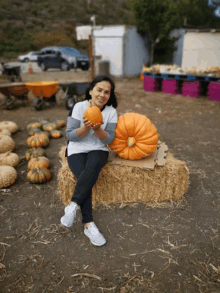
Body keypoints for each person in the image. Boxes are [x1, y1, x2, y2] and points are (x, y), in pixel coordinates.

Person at [61, 75, 118, 246]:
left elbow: (108, 140)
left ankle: (72, 205)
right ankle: (88, 223)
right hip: (76, 149)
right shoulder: (79, 107)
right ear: (91, 90)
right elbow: (70, 135)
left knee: (91, 168)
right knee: (84, 177)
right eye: (99, 90)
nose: (102, 95)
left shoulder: (111, 112)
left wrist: (99, 129)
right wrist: (85, 127)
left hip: (98, 150)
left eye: (107, 92)